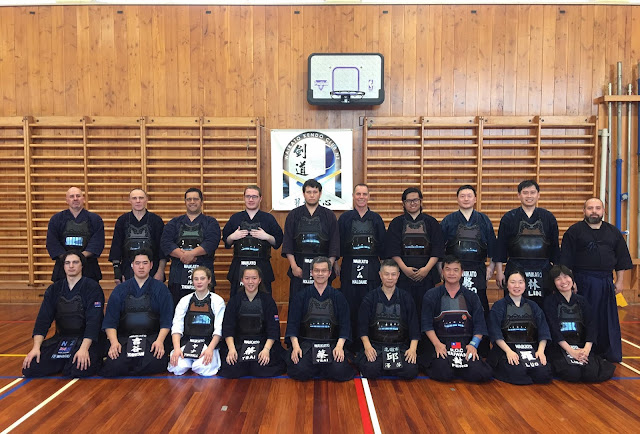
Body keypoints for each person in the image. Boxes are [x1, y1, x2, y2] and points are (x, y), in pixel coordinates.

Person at [559, 197, 632, 362]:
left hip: (606, 281)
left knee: (606, 318)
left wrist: (620, 281)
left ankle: (607, 352)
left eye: (597, 208)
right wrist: (571, 281)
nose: (594, 211)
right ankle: (583, 351)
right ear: (584, 211)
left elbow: (621, 259)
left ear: (603, 211)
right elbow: (566, 260)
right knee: (583, 317)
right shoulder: (574, 231)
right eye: (590, 208)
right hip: (582, 281)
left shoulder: (613, 232)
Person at [22, 251, 105, 378]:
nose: (71, 266)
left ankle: (83, 359)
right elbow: (43, 320)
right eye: (67, 263)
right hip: (62, 339)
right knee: (30, 368)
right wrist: (36, 348)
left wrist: (84, 349)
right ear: (63, 266)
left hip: (86, 341)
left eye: (75, 262)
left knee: (77, 370)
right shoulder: (54, 289)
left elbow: (94, 321)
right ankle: (65, 361)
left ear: (82, 265)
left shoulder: (92, 287)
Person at [100, 249, 173, 377]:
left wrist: (160, 341)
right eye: (137, 263)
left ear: (151, 265)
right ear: (132, 265)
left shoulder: (161, 289)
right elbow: (110, 321)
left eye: (145, 263)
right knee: (114, 366)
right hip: (125, 339)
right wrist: (114, 343)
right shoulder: (120, 290)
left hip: (151, 338)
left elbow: (166, 320)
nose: (141, 267)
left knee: (155, 363)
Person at [420, 256, 492, 383]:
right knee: (444, 373)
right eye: (448, 269)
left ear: (462, 272)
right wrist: (437, 344)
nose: (451, 273)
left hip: (465, 345)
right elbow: (426, 325)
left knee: (481, 374)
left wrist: (473, 345)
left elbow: (480, 325)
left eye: (455, 270)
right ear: (442, 272)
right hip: (441, 344)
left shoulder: (472, 296)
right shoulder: (431, 295)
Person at [285, 256, 354, 381]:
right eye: (317, 270)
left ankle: (322, 367)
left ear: (329, 273)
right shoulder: (301, 296)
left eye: (323, 271)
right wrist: (295, 346)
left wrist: (339, 346)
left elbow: (345, 324)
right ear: (311, 272)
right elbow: (293, 324)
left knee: (339, 371)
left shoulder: (338, 297)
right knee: (300, 370)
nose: (320, 274)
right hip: (307, 344)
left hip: (331, 344)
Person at [543, 265, 615, 382]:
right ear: (553, 283)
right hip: (560, 347)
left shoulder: (582, 301)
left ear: (572, 278)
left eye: (566, 277)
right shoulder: (550, 301)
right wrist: (571, 351)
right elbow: (554, 330)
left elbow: (591, 326)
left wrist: (586, 350)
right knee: (573, 373)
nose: (563, 281)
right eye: (558, 279)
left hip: (580, 345)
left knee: (591, 373)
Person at [494, 180, 560, 307]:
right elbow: (501, 246)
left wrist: (556, 274)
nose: (529, 196)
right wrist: (499, 271)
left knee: (543, 307)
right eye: (525, 193)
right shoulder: (509, 217)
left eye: (532, 192)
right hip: (516, 267)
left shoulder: (548, 217)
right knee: (514, 306)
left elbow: (555, 248)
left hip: (543, 269)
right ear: (519, 195)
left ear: (538, 195)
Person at [337, 184, 386, 351]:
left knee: (370, 305)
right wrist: (335, 263)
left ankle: (369, 343)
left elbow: (383, 246)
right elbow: (338, 243)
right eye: (358, 194)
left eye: (364, 194)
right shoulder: (345, 218)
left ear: (369, 197)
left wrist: (383, 269)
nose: (361, 197)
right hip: (349, 265)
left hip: (371, 267)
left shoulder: (376, 219)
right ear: (353, 196)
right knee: (349, 305)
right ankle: (349, 344)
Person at [384, 187, 444, 317]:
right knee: (404, 311)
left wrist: (426, 269)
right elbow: (393, 250)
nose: (412, 203)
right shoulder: (396, 223)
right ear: (403, 203)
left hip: (427, 274)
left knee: (426, 310)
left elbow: (437, 249)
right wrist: (405, 269)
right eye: (409, 201)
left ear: (421, 201)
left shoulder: (432, 222)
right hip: (403, 274)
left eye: (416, 200)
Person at [488, 267, 553, 385]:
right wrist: (508, 351)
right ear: (507, 284)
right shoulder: (499, 306)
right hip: (507, 349)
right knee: (518, 373)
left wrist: (540, 351)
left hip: (530, 348)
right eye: (513, 282)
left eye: (520, 282)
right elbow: (495, 333)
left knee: (543, 374)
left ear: (525, 284)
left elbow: (543, 330)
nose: (517, 286)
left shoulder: (533, 306)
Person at [357, 259, 419, 380]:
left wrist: (412, 349)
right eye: (386, 274)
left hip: (399, 347)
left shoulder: (406, 297)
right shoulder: (370, 298)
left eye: (393, 274)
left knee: (410, 370)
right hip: (376, 346)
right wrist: (368, 347)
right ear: (380, 275)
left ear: (398, 275)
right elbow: (362, 326)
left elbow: (414, 326)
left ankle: (388, 368)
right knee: (370, 370)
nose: (390, 278)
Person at [219, 266, 286, 378]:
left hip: (262, 343)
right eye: (247, 278)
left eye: (254, 278)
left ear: (259, 280)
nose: (250, 282)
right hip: (240, 343)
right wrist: (231, 349)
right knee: (232, 369)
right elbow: (228, 327)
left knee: (261, 368)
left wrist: (266, 350)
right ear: (242, 280)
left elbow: (273, 328)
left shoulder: (268, 301)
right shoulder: (234, 300)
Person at [439, 185, 496, 314]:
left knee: (480, 306)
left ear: (475, 199)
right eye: (462, 196)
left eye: (469, 196)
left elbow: (493, 246)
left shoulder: (484, 220)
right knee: (452, 304)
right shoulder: (448, 220)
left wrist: (491, 268)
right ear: (457, 199)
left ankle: (481, 328)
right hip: (453, 270)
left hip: (478, 268)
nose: (466, 199)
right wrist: (440, 270)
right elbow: (439, 248)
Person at [161, 188, 221, 306]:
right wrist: (183, 255)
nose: (192, 202)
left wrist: (192, 254)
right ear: (185, 202)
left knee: (205, 308)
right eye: (189, 199)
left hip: (203, 272)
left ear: (201, 202)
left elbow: (211, 242)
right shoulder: (174, 222)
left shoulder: (211, 222)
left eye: (195, 199)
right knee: (177, 308)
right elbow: (166, 242)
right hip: (178, 274)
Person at [281, 179, 340, 300]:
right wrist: (294, 266)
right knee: (298, 301)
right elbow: (288, 242)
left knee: (323, 301)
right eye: (308, 192)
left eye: (315, 192)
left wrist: (328, 267)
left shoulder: (329, 215)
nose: (312, 195)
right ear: (303, 194)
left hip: (322, 263)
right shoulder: (294, 215)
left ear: (320, 194)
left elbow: (334, 243)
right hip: (299, 263)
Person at [222, 185, 283, 296]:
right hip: (239, 263)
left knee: (264, 298)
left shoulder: (268, 218)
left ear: (260, 198)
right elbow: (226, 242)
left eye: (254, 196)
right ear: (244, 198)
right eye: (248, 196)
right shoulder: (235, 218)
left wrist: (267, 237)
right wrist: (233, 237)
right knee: (237, 298)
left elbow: (278, 241)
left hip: (262, 264)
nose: (251, 199)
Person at [168, 266, 225, 376]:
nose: (199, 282)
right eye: (196, 279)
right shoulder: (185, 300)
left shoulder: (217, 301)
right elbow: (177, 326)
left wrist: (210, 349)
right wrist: (176, 349)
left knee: (201, 367)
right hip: (187, 343)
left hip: (207, 344)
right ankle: (188, 361)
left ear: (209, 280)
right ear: (192, 281)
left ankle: (201, 361)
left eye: (202, 278)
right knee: (177, 368)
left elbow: (219, 329)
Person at [46, 187, 105, 282]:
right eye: (72, 196)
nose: (75, 199)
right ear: (67, 200)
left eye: (78, 196)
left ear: (83, 199)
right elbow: (52, 243)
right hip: (63, 267)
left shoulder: (95, 219)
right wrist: (69, 259)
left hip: (88, 266)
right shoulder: (56, 219)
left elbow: (97, 242)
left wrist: (80, 257)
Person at [109, 188, 166, 283]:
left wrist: (160, 271)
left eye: (141, 198)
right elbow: (116, 248)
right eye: (134, 198)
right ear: (129, 200)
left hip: (152, 269)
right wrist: (117, 273)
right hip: (128, 269)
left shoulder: (156, 220)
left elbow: (162, 249)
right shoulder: (122, 220)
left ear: (146, 199)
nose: (138, 201)